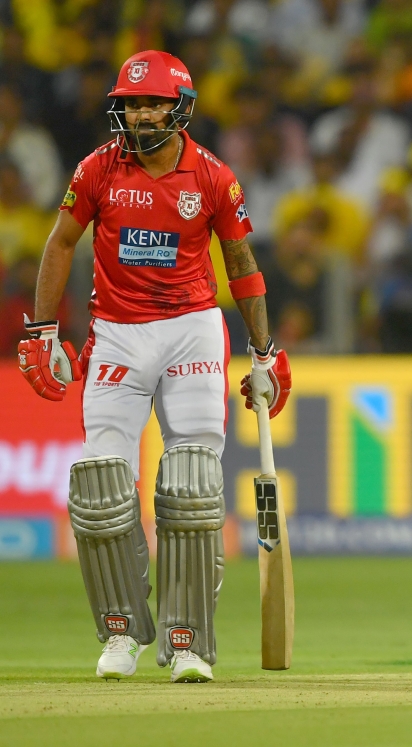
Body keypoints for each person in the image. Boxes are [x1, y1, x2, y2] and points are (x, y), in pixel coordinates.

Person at [16, 50, 292, 683]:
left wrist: (264, 350)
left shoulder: (215, 177)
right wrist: (41, 328)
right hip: (115, 332)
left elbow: (243, 265)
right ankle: (120, 632)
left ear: (180, 108)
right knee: (99, 483)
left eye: (152, 103)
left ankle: (187, 638)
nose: (139, 115)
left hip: (192, 331)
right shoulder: (97, 169)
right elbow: (61, 243)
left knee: (193, 483)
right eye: (131, 104)